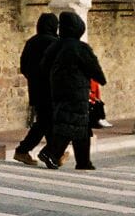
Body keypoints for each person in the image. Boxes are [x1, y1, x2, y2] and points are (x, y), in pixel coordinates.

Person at [37, 10, 106, 171]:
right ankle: (51, 152)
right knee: (72, 124)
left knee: (80, 126)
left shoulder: (55, 46)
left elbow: (44, 67)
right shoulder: (80, 48)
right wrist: (100, 78)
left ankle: (84, 162)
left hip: (58, 90)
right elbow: (93, 68)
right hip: (77, 91)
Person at [11, 13, 58, 166]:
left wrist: (34, 78)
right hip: (52, 90)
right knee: (47, 122)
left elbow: (24, 66)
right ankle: (25, 150)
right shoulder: (55, 43)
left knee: (45, 121)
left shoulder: (31, 42)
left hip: (36, 90)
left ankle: (52, 153)